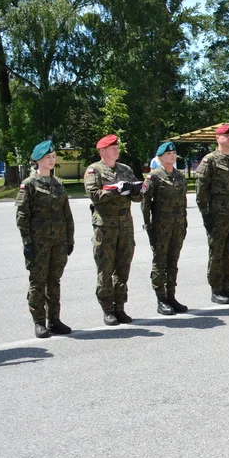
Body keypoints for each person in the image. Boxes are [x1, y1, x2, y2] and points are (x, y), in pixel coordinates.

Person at [15, 140, 75, 338]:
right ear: (38, 160)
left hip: (58, 241)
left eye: (53, 156)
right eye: (48, 157)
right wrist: (27, 242)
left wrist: (69, 239)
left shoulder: (58, 184)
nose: (52, 160)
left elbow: (67, 213)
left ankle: (54, 320)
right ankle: (39, 322)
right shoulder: (29, 184)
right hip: (38, 242)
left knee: (54, 281)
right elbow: (22, 216)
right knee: (38, 282)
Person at [84, 134, 142, 325]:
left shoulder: (125, 169)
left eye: (117, 147)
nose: (117, 150)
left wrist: (137, 190)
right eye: (112, 148)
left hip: (125, 225)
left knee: (123, 268)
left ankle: (120, 307)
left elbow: (137, 196)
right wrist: (113, 190)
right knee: (105, 269)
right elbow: (94, 195)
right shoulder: (94, 170)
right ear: (102, 151)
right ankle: (107, 309)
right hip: (105, 227)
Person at [196, 125, 229, 304]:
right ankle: (216, 289)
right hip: (218, 213)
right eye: (226, 135)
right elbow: (201, 189)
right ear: (217, 138)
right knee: (217, 251)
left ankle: (227, 286)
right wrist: (205, 213)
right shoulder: (210, 160)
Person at [143, 141, 189, 315]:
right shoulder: (153, 176)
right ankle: (161, 299)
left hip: (177, 226)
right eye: (168, 154)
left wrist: (184, 223)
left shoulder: (179, 176)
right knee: (160, 263)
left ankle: (171, 296)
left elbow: (183, 203)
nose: (172, 155)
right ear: (160, 157)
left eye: (174, 153)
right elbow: (145, 204)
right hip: (161, 226)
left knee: (173, 262)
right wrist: (149, 226)